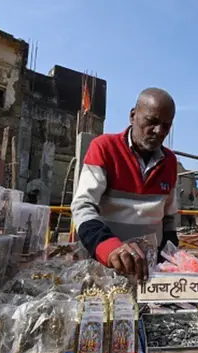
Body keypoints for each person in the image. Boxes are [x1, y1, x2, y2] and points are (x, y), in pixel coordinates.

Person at [71, 88, 179, 282]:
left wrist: (169, 262)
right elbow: (83, 207)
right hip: (103, 268)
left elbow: (169, 219)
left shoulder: (170, 161)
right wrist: (109, 247)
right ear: (132, 116)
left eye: (166, 126)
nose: (159, 131)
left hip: (149, 272)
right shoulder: (104, 148)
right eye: (152, 122)